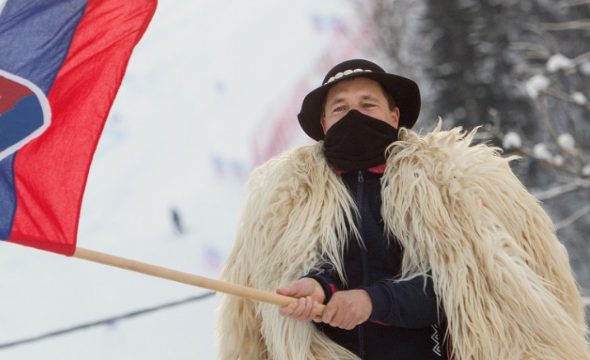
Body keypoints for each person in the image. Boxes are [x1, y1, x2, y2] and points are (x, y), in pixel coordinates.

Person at [216, 59, 589, 360]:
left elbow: (469, 282)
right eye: (341, 108)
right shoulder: (287, 200)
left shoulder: (448, 183)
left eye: (367, 104)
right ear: (324, 124)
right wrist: (316, 287)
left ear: (394, 117)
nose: (354, 116)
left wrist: (373, 301)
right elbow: (314, 265)